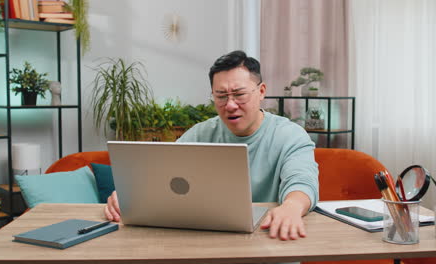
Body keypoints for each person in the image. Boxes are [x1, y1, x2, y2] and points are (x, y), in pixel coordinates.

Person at [105, 50, 319, 241]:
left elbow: (302, 181)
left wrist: (292, 207)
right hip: (208, 243)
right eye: (221, 96)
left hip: (269, 239)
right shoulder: (201, 132)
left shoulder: (290, 135)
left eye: (239, 94)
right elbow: (162, 172)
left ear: (261, 91)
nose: (230, 105)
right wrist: (130, 194)